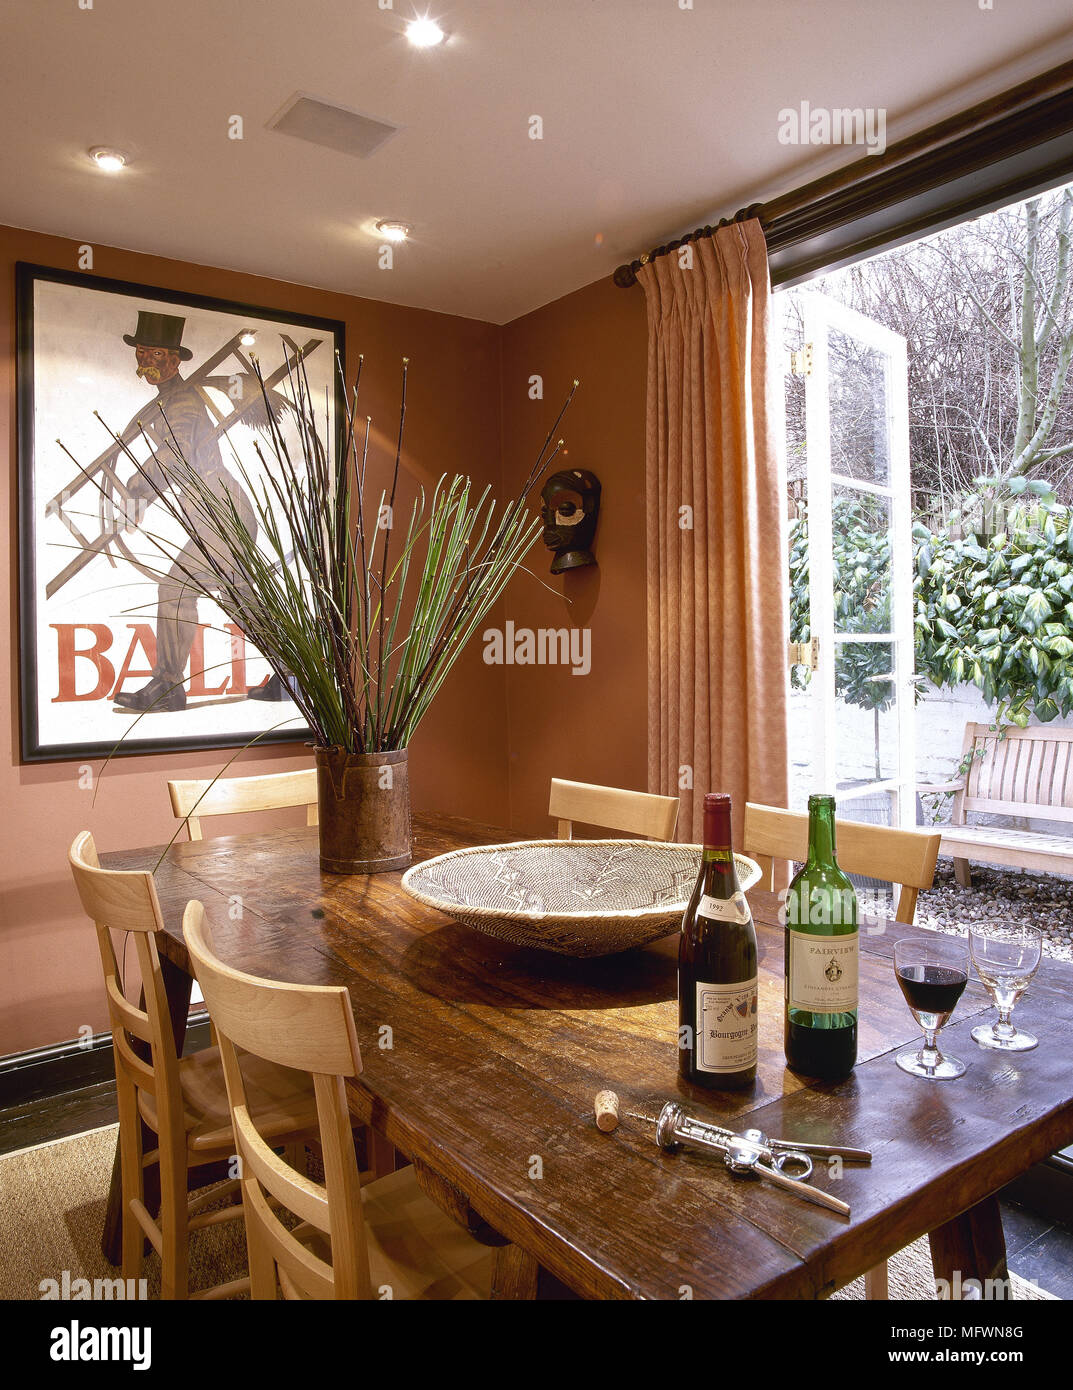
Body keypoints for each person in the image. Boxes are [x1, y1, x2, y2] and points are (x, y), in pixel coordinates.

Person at [111, 311, 285, 711]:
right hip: (221, 512)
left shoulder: (183, 402)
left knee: (175, 589)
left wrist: (137, 490)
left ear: (174, 360)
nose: (148, 361)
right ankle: (293, 672)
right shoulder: (169, 400)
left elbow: (175, 454)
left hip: (222, 513)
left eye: (156, 352)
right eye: (142, 352)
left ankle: (168, 687)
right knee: (240, 598)